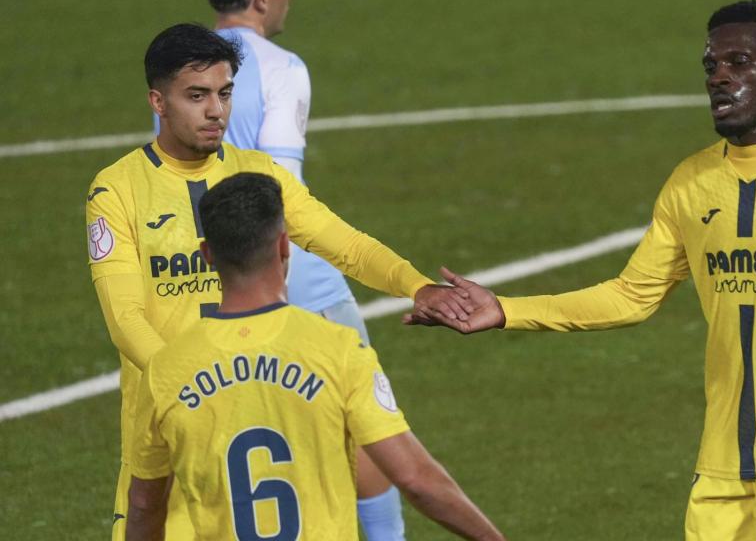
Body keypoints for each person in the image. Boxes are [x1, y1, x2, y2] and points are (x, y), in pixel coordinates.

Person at [408, 1, 756, 540]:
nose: (720, 78)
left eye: (739, 63)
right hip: (720, 463)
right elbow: (631, 296)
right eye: (711, 66)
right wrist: (507, 310)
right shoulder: (691, 184)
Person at [87, 23, 472, 540]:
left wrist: (417, 285)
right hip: (173, 438)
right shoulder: (116, 191)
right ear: (158, 100)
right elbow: (125, 318)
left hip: (261, 422)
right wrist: (191, 390)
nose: (215, 110)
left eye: (224, 94)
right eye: (196, 96)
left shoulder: (258, 175)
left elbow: (346, 243)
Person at [124, 172, 504, 541]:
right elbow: (415, 479)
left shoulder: (165, 370)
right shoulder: (337, 350)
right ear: (284, 246)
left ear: (207, 254)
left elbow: (143, 504)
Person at [168, 0, 407, 537]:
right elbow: (281, 192)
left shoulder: (182, 70)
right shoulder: (282, 68)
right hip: (288, 274)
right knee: (365, 430)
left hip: (209, 269)